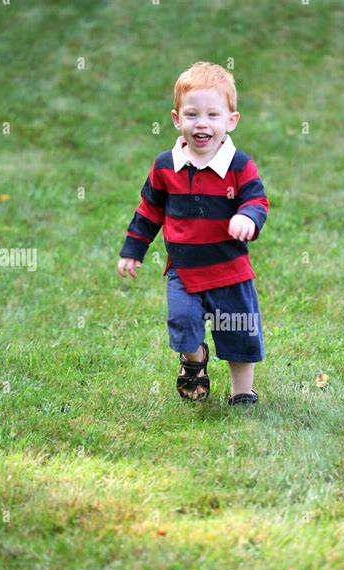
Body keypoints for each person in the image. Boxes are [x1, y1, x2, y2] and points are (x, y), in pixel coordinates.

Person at [117, 62, 269, 405]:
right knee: (182, 322)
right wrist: (132, 250)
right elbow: (149, 210)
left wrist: (248, 216)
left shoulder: (239, 165)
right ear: (176, 119)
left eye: (213, 115)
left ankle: (242, 392)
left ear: (231, 121)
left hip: (230, 270)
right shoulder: (165, 166)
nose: (202, 123)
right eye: (192, 114)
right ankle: (194, 358)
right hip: (183, 269)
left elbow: (257, 199)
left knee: (238, 332)